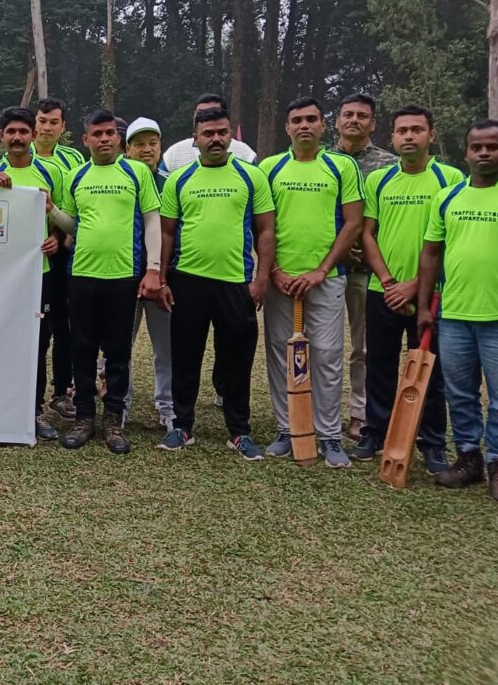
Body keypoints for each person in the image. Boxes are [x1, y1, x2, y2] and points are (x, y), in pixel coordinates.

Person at [157, 107, 274, 460]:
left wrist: (261, 279)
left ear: (231, 135)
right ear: (195, 139)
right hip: (188, 281)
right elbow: (167, 233)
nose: (216, 139)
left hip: (235, 283)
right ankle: (182, 426)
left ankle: (239, 431)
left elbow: (266, 230)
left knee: (236, 359)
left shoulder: (251, 177)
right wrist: (162, 278)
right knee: (185, 356)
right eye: (208, 133)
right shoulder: (180, 179)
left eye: (222, 132)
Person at [47, 109, 163, 454]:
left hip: (124, 275)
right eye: (97, 134)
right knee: (82, 350)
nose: (104, 139)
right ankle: (84, 418)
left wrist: (153, 268)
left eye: (110, 133)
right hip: (82, 275)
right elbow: (72, 225)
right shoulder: (76, 175)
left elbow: (152, 220)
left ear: (118, 137)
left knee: (118, 352)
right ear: (86, 139)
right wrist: (52, 210)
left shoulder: (137, 172)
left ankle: (113, 421)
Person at [259, 98, 364, 468]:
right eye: (297, 120)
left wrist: (321, 270)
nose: (304, 125)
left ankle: (329, 434)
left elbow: (353, 222)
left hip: (327, 280)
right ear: (287, 127)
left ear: (323, 125)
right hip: (281, 282)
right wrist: (274, 272)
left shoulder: (342, 166)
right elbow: (262, 225)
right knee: (280, 355)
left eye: (311, 119)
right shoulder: (270, 167)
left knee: (327, 355)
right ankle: (287, 430)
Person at [356, 105, 459, 474]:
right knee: (379, 365)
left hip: (431, 295)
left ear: (431, 134)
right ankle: (375, 433)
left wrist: (416, 285)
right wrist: (388, 282)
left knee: (430, 370)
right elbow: (367, 234)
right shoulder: (379, 180)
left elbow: (452, 240)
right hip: (382, 291)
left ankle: (432, 443)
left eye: (417, 129)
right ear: (393, 137)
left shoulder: (450, 178)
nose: (409, 136)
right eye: (402, 131)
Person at [418, 119, 498, 499]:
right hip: (454, 316)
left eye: (492, 146)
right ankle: (468, 457)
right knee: (460, 393)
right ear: (466, 152)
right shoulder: (448, 197)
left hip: (497, 317)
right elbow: (431, 253)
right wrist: (424, 306)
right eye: (476, 147)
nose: (483, 153)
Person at [0, 107, 62, 440]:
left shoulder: (51, 172)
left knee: (36, 345)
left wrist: (57, 238)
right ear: (2, 136)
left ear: (33, 135)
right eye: (10, 132)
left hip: (38, 274)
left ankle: (34, 411)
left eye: (23, 131)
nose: (17, 137)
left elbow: (63, 217)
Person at [334, 92, 397, 441]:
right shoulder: (323, 160)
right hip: (328, 270)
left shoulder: (389, 165)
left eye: (362, 115)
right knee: (318, 346)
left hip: (367, 273)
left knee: (364, 347)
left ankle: (360, 413)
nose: (354, 120)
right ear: (337, 121)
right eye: (348, 114)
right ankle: (319, 413)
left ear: (373, 124)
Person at [32, 99, 86, 420]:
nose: (47, 127)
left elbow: (70, 205)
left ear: (63, 127)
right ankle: (31, 394)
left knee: (66, 325)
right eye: (42, 121)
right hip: (29, 257)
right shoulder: (18, 156)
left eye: (54, 122)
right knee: (39, 328)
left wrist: (59, 236)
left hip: (63, 251)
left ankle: (61, 392)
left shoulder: (73, 159)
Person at [123, 117, 175, 431]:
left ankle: (167, 407)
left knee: (166, 347)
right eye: (139, 144)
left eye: (152, 143)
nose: (147, 150)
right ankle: (121, 404)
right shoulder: (120, 180)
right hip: (126, 277)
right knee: (120, 347)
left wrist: (163, 274)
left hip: (163, 280)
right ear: (127, 149)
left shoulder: (172, 183)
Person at [160, 94, 256, 172]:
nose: (207, 116)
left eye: (214, 112)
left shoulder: (244, 153)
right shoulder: (174, 154)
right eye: (200, 113)